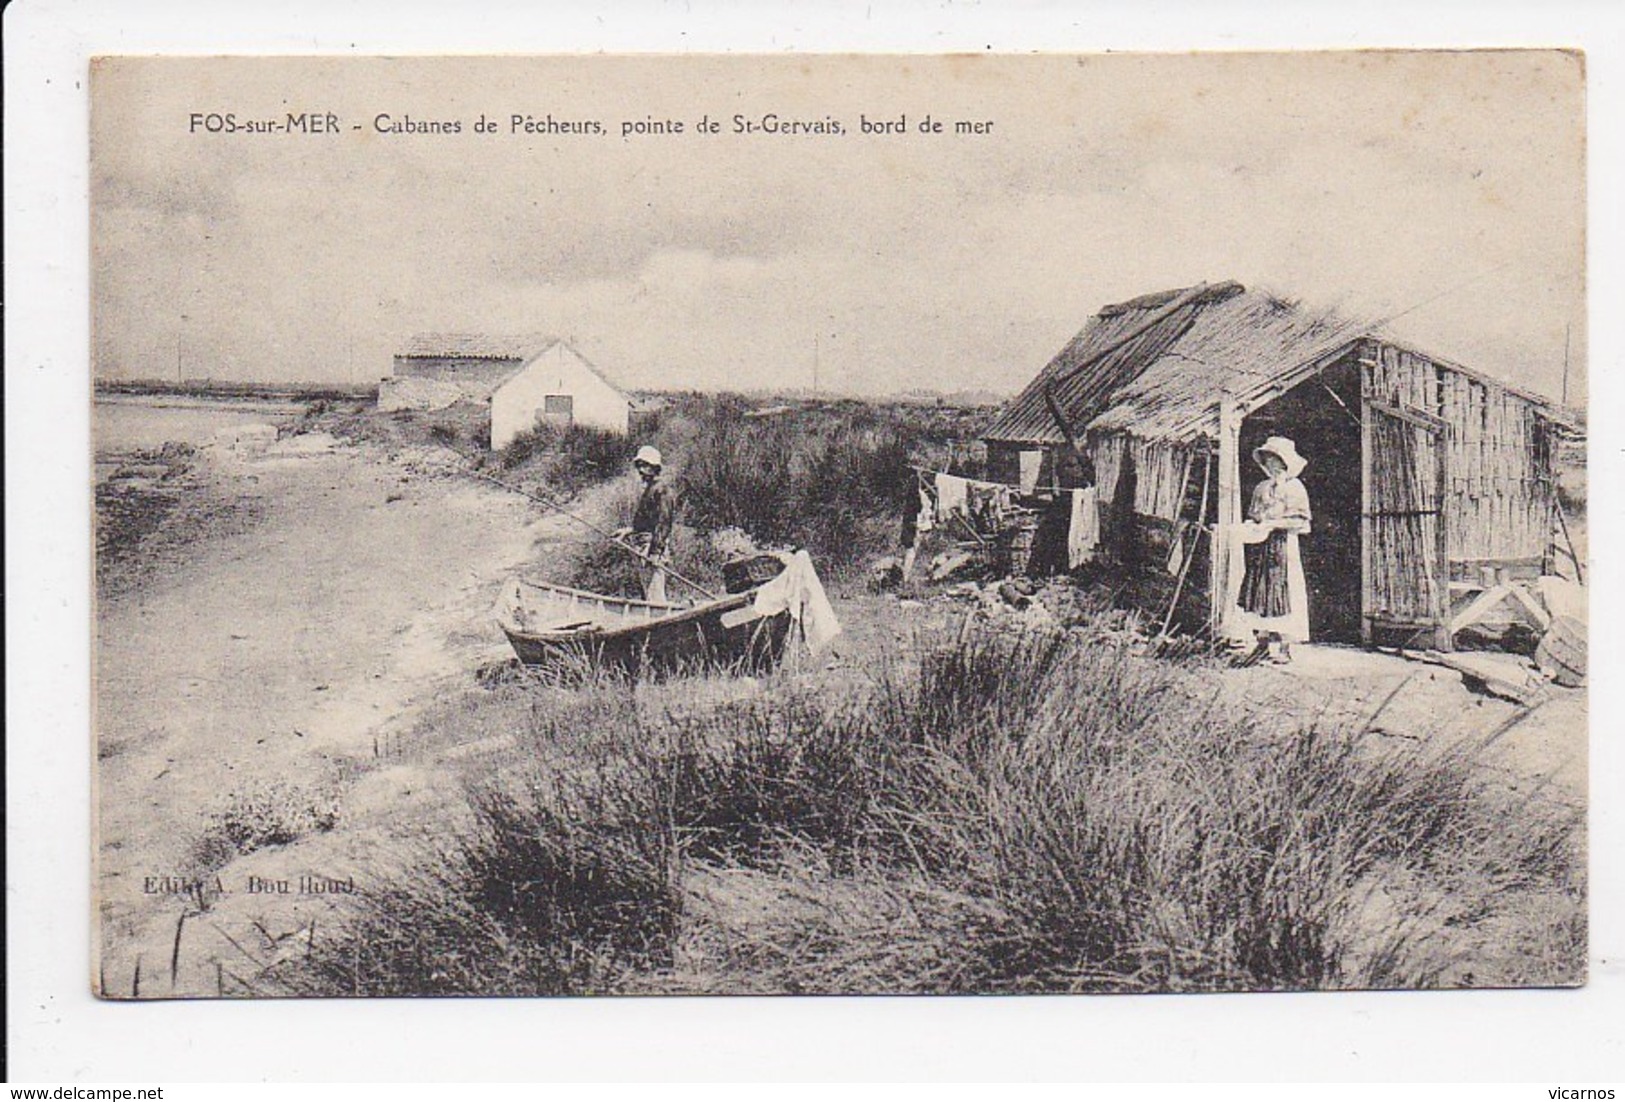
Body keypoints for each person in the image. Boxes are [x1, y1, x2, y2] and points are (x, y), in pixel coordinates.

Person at [1238, 436, 1312, 662]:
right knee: (1259, 590)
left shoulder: (1294, 488)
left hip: (1283, 547)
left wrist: (1274, 524)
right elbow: (1253, 515)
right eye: (1267, 460)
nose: (1270, 464)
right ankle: (1261, 644)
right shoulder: (1262, 488)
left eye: (1275, 460)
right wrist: (1255, 523)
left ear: (1284, 462)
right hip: (1261, 546)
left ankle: (1284, 647)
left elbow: (1302, 522)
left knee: (1283, 592)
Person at [615, 445, 678, 604]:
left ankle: (661, 624)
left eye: (646, 465)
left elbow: (663, 523)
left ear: (655, 468)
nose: (642, 470)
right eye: (640, 466)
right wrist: (629, 531)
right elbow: (647, 522)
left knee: (655, 593)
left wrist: (656, 552)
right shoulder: (650, 489)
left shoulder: (662, 490)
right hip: (643, 546)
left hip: (652, 547)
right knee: (647, 590)